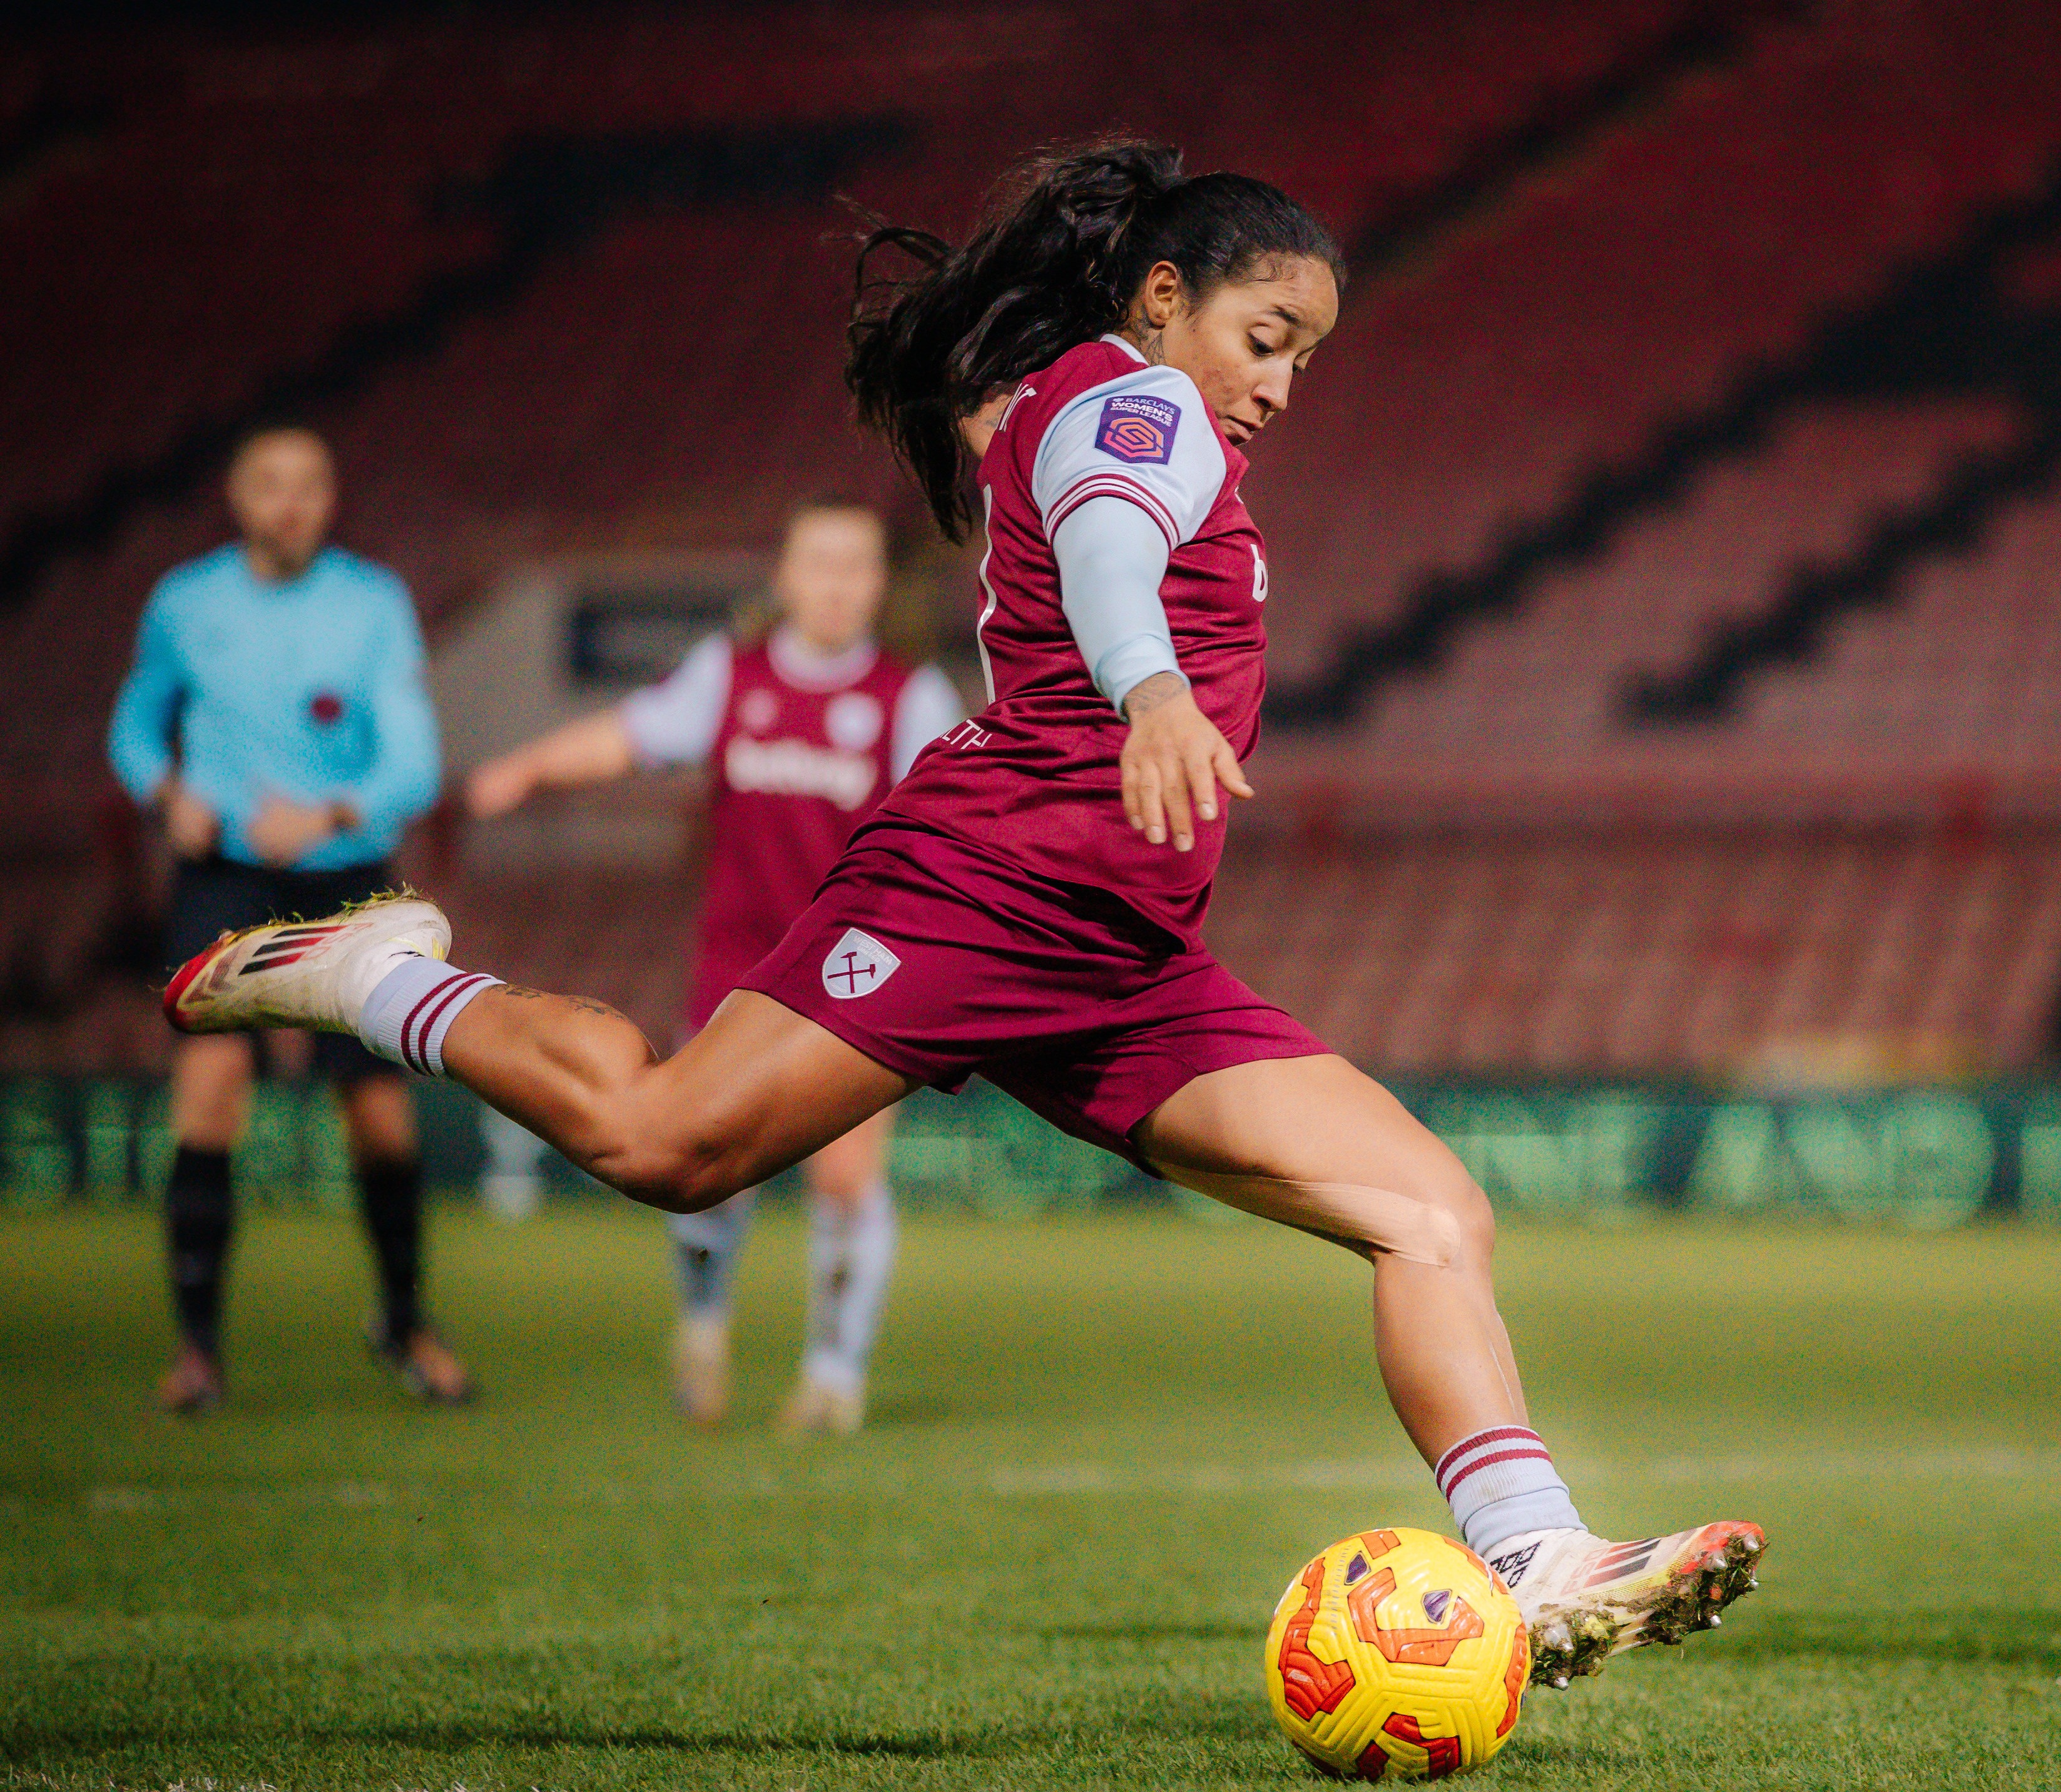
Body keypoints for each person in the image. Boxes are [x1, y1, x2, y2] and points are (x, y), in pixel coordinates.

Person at [161, 138, 1760, 1688]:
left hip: (1119, 953)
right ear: (1157, 299)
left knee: (1426, 1210)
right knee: (666, 1143)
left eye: (1303, 359)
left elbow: (1072, 499)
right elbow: (1117, 566)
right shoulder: (1140, 405)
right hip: (986, 889)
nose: (1278, 382)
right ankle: (380, 978)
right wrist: (1146, 695)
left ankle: (1539, 1560)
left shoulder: (1090, 396)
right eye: (1263, 338)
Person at [464, 501, 964, 1433]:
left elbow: (950, 836)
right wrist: (528, 769)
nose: (837, 583)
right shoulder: (727, 679)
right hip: (741, 974)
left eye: (856, 565)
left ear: (877, 584)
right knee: (699, 1166)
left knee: (847, 1180)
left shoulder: (913, 701)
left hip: (855, 981)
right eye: (819, 562)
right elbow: (627, 736)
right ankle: (701, 1325)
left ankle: (833, 1378)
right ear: (784, 577)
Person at [108, 424, 467, 1413]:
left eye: (310, 483)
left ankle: (403, 1322)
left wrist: (334, 811)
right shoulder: (185, 604)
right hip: (224, 879)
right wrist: (163, 790)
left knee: (381, 1116)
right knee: (211, 1093)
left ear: (331, 495)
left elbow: (414, 760)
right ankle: (197, 1354)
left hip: (347, 880)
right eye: (271, 484)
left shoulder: (373, 603)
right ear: (237, 495)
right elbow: (137, 724)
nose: (291, 502)